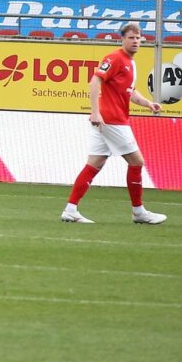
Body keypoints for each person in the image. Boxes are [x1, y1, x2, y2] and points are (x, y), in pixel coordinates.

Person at [61, 23, 167, 225]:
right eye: (131, 37)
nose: (136, 41)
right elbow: (95, 81)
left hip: (109, 120)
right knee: (136, 162)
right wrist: (95, 112)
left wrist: (148, 104)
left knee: (94, 164)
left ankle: (70, 209)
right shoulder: (115, 58)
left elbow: (131, 92)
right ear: (123, 39)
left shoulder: (131, 63)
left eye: (138, 37)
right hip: (111, 120)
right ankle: (138, 212)